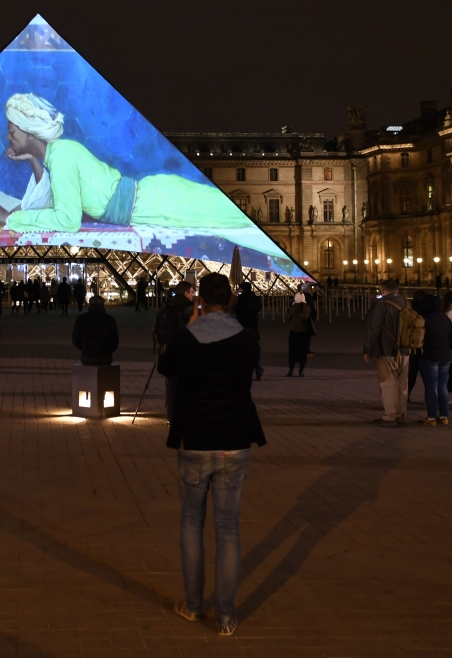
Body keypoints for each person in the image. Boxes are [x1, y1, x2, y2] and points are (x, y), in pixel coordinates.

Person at [0, 93, 285, 260]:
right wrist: (32, 158)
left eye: (11, 131)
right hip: (153, 198)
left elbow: (66, 220)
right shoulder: (60, 153)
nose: (8, 138)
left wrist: (14, 220)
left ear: (30, 131)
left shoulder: (60, 157)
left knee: (238, 221)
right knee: (236, 222)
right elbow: (48, 200)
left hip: (155, 204)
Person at [158, 272, 264, 636]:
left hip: (195, 439)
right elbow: (249, 371)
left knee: (191, 522)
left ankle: (192, 605)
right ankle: (225, 617)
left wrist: (190, 325)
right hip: (234, 438)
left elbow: (166, 369)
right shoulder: (248, 339)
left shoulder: (186, 338)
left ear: (200, 299)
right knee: (228, 529)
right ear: (231, 299)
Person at [363, 278, 410, 427]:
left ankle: (390, 416)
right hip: (405, 349)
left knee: (388, 383)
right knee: (403, 383)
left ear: (383, 291)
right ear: (397, 289)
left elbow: (373, 330)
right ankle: (401, 413)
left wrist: (367, 349)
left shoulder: (382, 305)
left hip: (387, 349)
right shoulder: (406, 303)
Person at [155, 281, 194, 420]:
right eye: (192, 292)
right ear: (186, 293)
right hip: (186, 352)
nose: (193, 294)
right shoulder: (190, 307)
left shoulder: (166, 305)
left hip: (167, 350)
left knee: (171, 386)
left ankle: (172, 417)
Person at [413, 292, 452, 425]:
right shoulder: (445, 318)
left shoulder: (425, 319)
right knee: (442, 386)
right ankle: (444, 416)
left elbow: (419, 338)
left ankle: (431, 417)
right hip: (445, 356)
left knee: (431, 387)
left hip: (429, 355)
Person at [72, 295, 119, 365]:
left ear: (90, 304)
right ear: (103, 305)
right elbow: (115, 341)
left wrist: (86, 348)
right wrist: (107, 350)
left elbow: (75, 339)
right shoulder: (110, 319)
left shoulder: (82, 319)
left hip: (87, 356)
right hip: (105, 356)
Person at [233, 281, 264, 381]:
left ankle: (241, 372)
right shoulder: (256, 298)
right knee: (255, 350)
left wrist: (235, 297)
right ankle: (259, 372)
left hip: (241, 327)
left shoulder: (240, 299)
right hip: (253, 327)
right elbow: (258, 308)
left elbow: (234, 310)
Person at [284, 291, 315, 377]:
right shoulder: (307, 308)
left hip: (294, 331)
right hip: (305, 333)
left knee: (292, 352)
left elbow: (289, 317)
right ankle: (301, 370)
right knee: (303, 352)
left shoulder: (294, 308)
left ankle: (291, 370)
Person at [406, 290, 427, 403]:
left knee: (412, 373)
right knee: (426, 374)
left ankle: (407, 394)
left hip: (412, 346)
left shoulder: (411, 312)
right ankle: (427, 396)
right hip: (424, 347)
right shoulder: (427, 312)